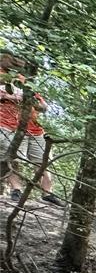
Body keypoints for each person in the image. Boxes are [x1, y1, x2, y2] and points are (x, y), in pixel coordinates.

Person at [0, 52, 60, 205]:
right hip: (8, 126)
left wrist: (31, 100)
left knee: (42, 161)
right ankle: (16, 190)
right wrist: (12, 97)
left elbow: (43, 106)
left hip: (34, 128)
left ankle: (48, 193)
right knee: (12, 158)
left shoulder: (24, 80)